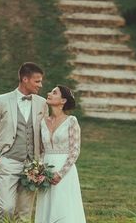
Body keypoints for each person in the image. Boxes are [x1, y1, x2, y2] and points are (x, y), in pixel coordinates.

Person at [0, 62, 48, 222]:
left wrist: (41, 162)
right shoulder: (2, 100)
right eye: (37, 81)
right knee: (6, 209)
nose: (41, 85)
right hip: (8, 161)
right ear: (25, 79)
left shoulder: (42, 103)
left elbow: (44, 134)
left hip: (32, 166)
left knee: (24, 214)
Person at [35, 85, 86, 223]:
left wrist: (60, 174)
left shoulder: (71, 121)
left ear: (63, 101)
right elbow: (41, 150)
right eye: (50, 91)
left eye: (54, 92)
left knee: (63, 208)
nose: (49, 93)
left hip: (64, 171)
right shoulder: (42, 122)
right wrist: (39, 171)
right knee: (46, 206)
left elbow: (75, 150)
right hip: (46, 170)